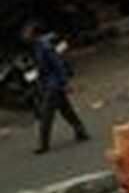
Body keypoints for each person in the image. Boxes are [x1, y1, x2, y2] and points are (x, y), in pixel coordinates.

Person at [24, 21, 88, 154]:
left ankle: (44, 144)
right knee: (66, 111)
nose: (25, 35)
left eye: (27, 33)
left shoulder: (44, 47)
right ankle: (81, 131)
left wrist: (64, 82)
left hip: (53, 85)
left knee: (46, 115)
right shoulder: (38, 46)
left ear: (34, 34)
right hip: (51, 83)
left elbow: (57, 64)